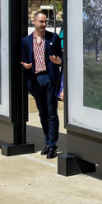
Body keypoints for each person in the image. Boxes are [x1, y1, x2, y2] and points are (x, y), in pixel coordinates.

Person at [22, 10, 63, 159]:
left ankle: (52, 145)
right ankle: (47, 141)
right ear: (34, 22)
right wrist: (25, 66)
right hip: (35, 80)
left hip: (50, 79)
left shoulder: (53, 38)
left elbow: (62, 56)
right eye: (41, 21)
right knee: (42, 113)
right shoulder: (26, 41)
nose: (44, 24)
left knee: (52, 113)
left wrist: (60, 61)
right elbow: (23, 60)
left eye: (45, 22)